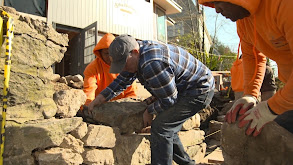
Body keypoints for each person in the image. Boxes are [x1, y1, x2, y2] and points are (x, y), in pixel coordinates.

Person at [88, 34, 215, 165]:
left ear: (135, 52)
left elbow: (169, 99)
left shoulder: (152, 63)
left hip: (198, 90)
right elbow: (123, 80)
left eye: (123, 64)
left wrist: (149, 110)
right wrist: (101, 97)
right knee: (167, 126)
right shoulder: (137, 54)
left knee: (161, 127)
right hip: (183, 88)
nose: (123, 68)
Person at [199, 0, 293, 136]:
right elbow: (252, 56)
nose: (217, 10)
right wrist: (250, 94)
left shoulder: (284, 5)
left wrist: (271, 108)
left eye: (218, 3)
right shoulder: (243, 21)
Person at [82, 33, 137, 108]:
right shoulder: (92, 68)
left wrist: (131, 107)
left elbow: (131, 92)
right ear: (100, 53)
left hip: (122, 107)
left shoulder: (125, 65)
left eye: (112, 53)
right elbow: (89, 90)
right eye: (106, 53)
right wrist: (88, 107)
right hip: (100, 107)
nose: (110, 57)